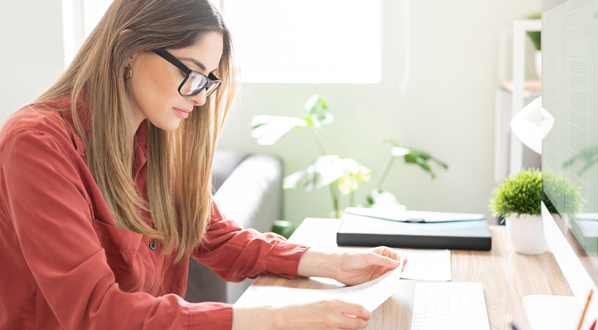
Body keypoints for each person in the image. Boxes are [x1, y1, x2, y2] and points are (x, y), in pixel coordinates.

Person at [0, 0, 407, 329]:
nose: (199, 98)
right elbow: (95, 313)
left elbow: (213, 236)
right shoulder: (36, 144)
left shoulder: (158, 136)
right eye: (192, 73)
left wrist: (334, 264)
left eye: (209, 81)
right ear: (127, 49)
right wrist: (275, 318)